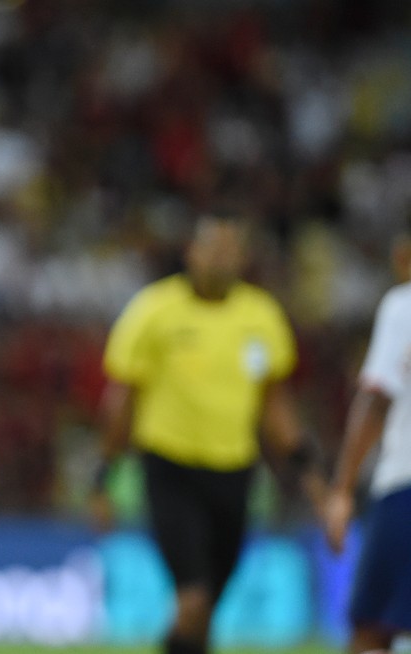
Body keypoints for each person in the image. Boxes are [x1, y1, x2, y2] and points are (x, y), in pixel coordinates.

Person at [95, 212, 324, 654]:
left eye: (230, 249)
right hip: (170, 469)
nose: (221, 258)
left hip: (235, 474)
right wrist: (104, 475)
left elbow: (275, 407)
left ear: (242, 257)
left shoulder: (262, 316)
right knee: (194, 599)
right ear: (191, 252)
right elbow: (121, 402)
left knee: (208, 607)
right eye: (212, 248)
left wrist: (308, 471)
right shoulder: (154, 311)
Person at [323, 223, 411, 654]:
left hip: (405, 489)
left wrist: (341, 490)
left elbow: (376, 402)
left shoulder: (404, 306)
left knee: (371, 633)